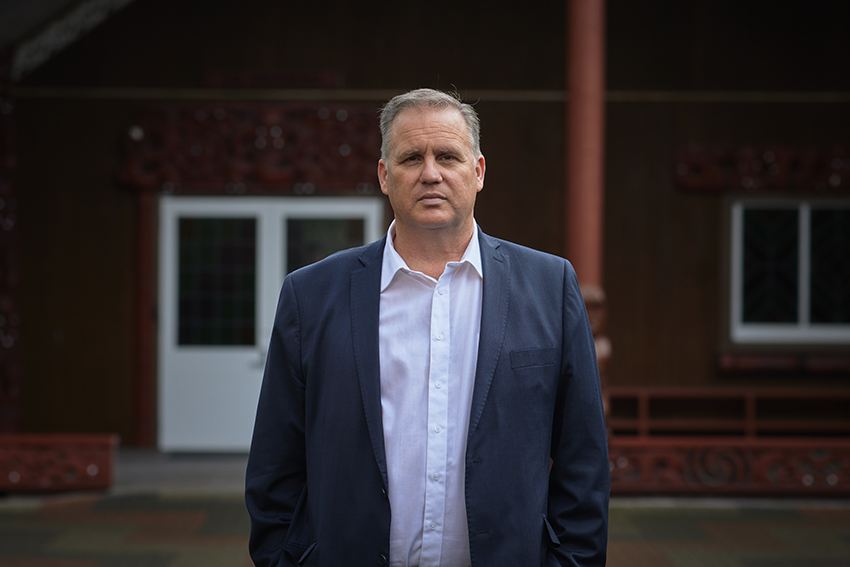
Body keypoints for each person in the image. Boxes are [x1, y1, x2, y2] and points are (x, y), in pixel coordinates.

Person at [245, 88, 609, 567]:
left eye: (448, 156)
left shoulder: (549, 286)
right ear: (384, 175)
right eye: (411, 157)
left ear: (478, 171)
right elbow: (275, 465)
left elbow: (583, 460)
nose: (430, 173)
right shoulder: (310, 295)